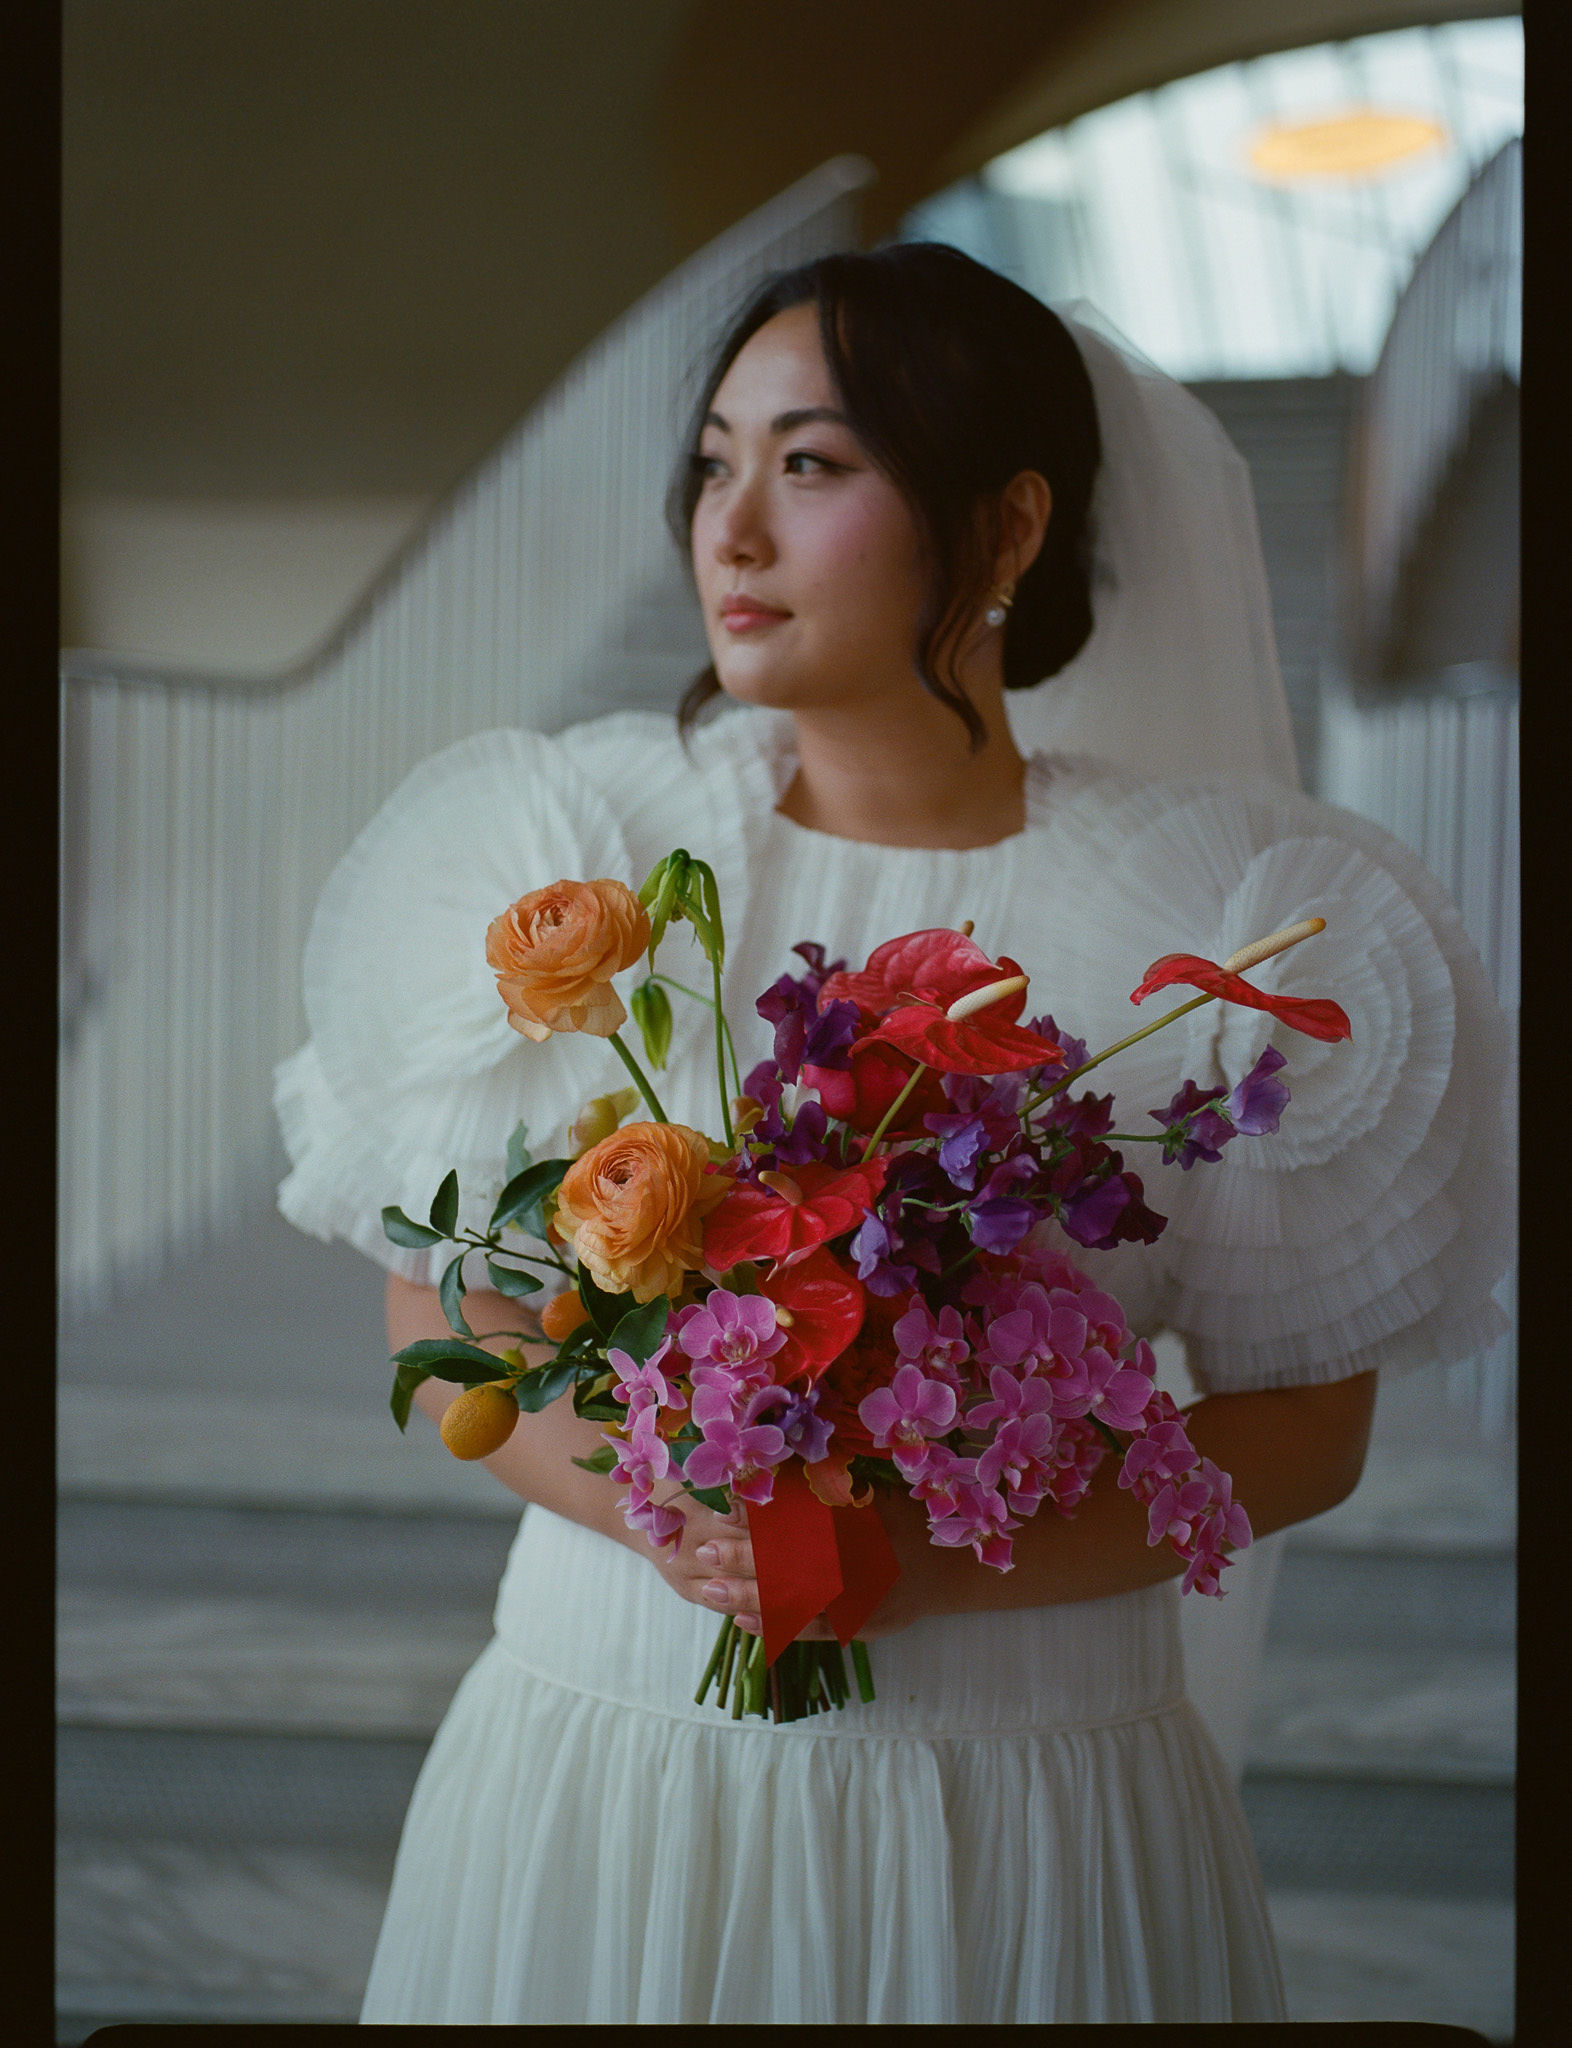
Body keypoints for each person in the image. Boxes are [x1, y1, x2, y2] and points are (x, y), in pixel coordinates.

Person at [274, 244, 1512, 2024]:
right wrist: (676, 1516)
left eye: (813, 464)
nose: (733, 530)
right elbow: (445, 1318)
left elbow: (1307, 1434)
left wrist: (925, 1556)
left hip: (1033, 1783)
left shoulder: (1216, 919)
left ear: (1008, 528)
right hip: (625, 1740)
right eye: (715, 462)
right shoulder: (595, 860)